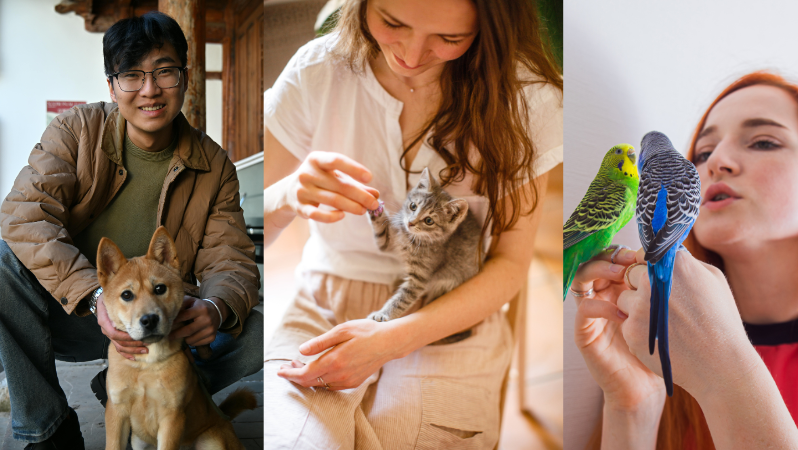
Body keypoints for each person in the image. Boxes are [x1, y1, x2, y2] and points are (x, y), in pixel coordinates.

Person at [262, 0, 562, 447]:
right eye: (391, 22)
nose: (410, 54)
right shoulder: (318, 70)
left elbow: (510, 265)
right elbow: (235, 234)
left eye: (449, 38)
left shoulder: (528, 99)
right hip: (324, 302)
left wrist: (391, 340)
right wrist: (286, 197)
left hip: (450, 317)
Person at [0, 12, 262, 449]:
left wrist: (215, 307)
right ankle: (47, 428)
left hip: (164, 321)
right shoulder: (75, 131)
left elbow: (230, 259)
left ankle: (127, 390)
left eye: (164, 72)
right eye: (131, 75)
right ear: (111, 85)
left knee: (251, 332)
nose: (149, 90)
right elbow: (23, 216)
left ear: (185, 77)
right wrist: (95, 295)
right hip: (72, 313)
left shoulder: (213, 165)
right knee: (3, 263)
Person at [571, 71, 798, 449]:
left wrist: (724, 371)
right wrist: (633, 407)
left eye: (762, 142)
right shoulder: (653, 328)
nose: (716, 162)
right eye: (704, 152)